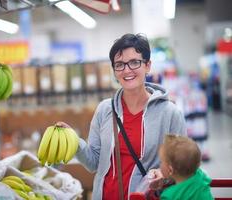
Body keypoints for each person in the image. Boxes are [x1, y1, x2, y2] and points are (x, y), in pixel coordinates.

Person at [56, 33, 186, 200]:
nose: (126, 70)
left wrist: (162, 174)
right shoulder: (105, 110)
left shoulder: (170, 114)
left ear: (147, 65)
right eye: (119, 65)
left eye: (134, 62)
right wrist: (74, 140)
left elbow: (183, 167)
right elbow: (93, 163)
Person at [158, 134, 213, 200]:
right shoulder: (201, 177)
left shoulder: (169, 196)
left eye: (161, 161)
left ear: (170, 170)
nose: (160, 165)